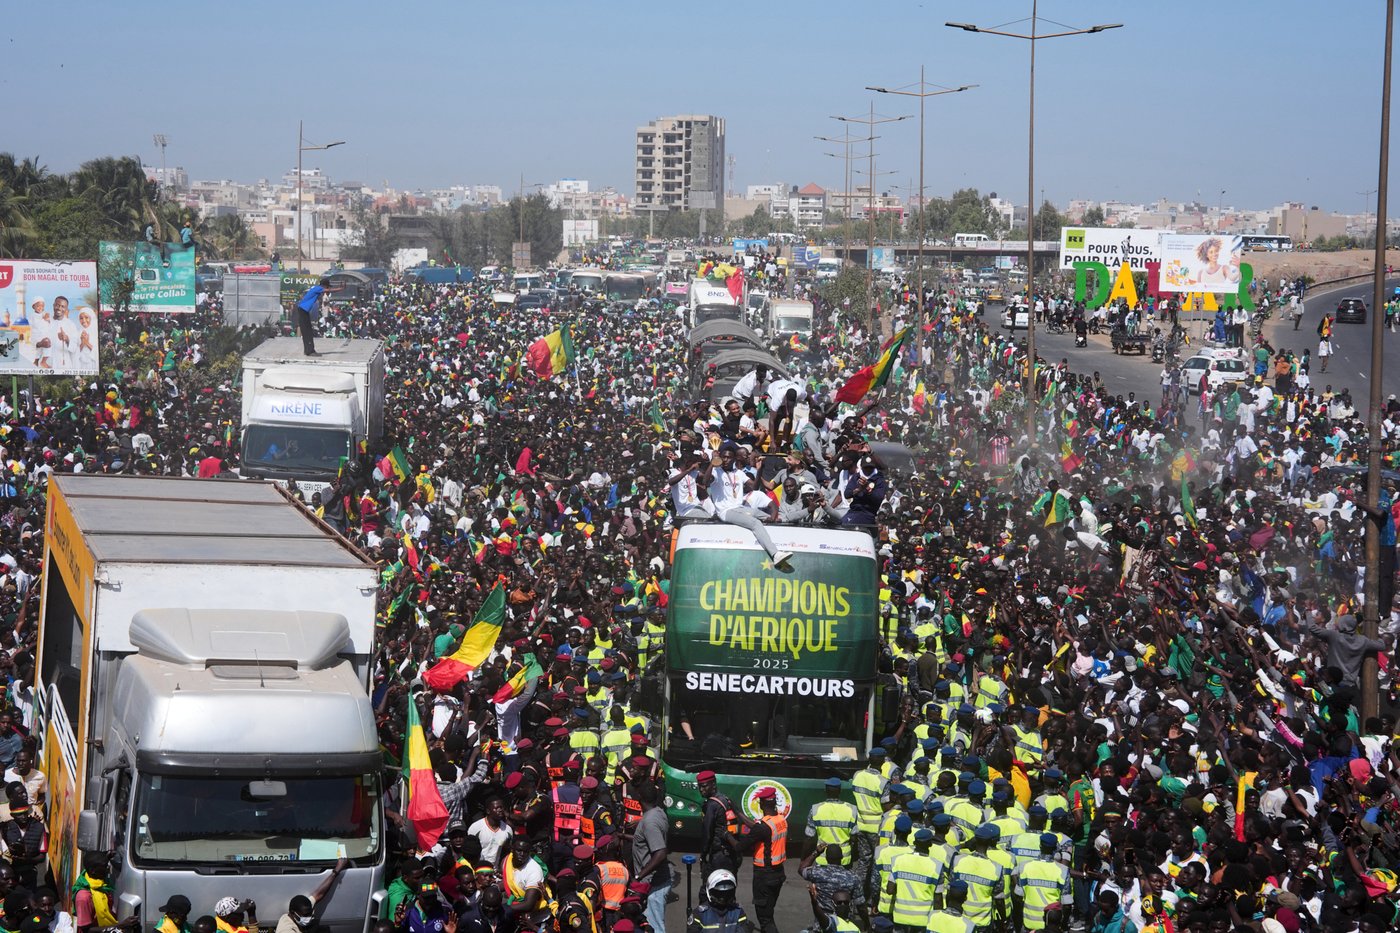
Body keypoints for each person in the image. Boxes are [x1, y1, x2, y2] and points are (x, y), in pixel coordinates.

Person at [740, 786, 786, 933]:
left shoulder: (763, 828)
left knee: (765, 920)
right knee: (769, 912)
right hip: (778, 874)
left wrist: (726, 835)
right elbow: (757, 828)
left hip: (764, 877)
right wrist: (737, 812)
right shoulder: (780, 819)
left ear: (761, 804)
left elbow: (739, 847)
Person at [630, 781, 671, 933]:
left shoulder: (650, 821)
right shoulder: (658, 812)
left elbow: (660, 853)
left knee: (655, 926)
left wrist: (638, 876)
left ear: (639, 798)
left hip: (655, 883)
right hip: (655, 881)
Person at [274, 858, 349, 933]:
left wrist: (336, 871)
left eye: (310, 914)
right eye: (305, 915)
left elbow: (319, 894)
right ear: (293, 913)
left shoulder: (303, 910)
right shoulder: (286, 930)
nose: (308, 918)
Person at [686, 870, 752, 933]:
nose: (723, 898)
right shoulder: (699, 915)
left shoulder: (738, 912)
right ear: (710, 892)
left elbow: (744, 929)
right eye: (719, 893)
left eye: (727, 893)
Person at [295, 278, 332, 357]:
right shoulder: (319, 288)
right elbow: (328, 291)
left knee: (306, 331)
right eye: (328, 287)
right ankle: (310, 351)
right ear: (325, 286)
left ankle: (308, 350)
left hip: (303, 310)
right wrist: (341, 288)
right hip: (303, 311)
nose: (328, 288)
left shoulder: (316, 288)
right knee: (307, 332)